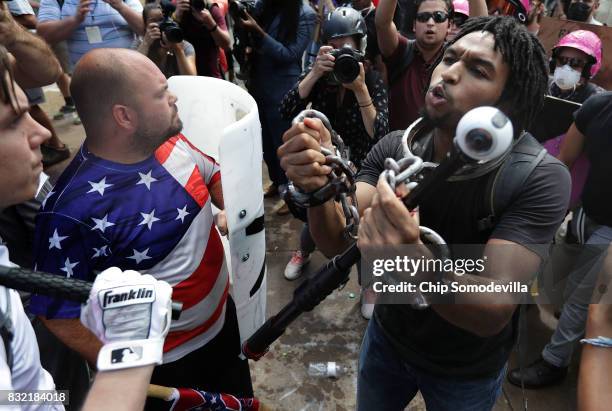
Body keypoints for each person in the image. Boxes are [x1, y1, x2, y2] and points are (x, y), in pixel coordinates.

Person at [278, 16, 570, 410]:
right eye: (450, 58)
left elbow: (493, 309)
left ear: (508, 103)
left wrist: (410, 260)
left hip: (466, 369)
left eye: (477, 70)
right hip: (387, 340)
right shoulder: (397, 147)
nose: (449, 74)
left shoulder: (539, 177)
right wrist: (318, 185)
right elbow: (335, 241)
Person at [29, 48, 253, 407]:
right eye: (161, 93)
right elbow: (56, 312)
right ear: (124, 116)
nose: (174, 97)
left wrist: (236, 212)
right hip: (166, 368)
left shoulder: (171, 140)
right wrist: (127, 369)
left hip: (225, 325)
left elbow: (213, 176)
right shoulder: (68, 212)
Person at [0, 42, 173, 411]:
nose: (43, 133)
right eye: (13, 121)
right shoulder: (65, 208)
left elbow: (32, 396)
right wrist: (130, 357)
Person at [508, 92, 612, 389]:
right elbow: (564, 159)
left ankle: (556, 361)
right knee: (552, 277)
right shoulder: (599, 107)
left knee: (583, 297)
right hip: (585, 213)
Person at [279, 7, 389, 287]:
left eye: (347, 48)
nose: (341, 55)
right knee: (317, 212)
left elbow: (379, 135)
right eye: (335, 48)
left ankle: (369, 285)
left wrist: (360, 89)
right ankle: (304, 251)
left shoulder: (372, 79)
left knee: (364, 223)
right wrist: (315, 73)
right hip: (329, 161)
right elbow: (286, 109)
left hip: (363, 168)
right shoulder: (321, 79)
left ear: (361, 46)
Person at [238, 0, 316, 215]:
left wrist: (259, 33)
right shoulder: (266, 6)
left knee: (285, 142)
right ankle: (277, 181)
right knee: (265, 141)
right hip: (259, 83)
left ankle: (291, 192)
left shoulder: (306, 14)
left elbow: (290, 54)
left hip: (282, 87)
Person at [36, 0, 144, 68]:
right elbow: (44, 35)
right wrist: (75, 20)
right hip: (85, 75)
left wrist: (120, 6)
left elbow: (145, 29)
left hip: (128, 69)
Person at [136, 3, 197, 78]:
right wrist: (146, 43)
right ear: (145, 25)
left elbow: (191, 78)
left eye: (162, 19)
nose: (160, 25)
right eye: (154, 21)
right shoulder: (140, 43)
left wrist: (178, 50)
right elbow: (132, 71)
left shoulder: (184, 46)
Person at [173, 0, 231, 78]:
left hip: (210, 73)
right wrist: (176, 17)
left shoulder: (212, 9)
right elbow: (168, 41)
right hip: (184, 72)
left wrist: (210, 23)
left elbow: (226, 44)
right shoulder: (178, 9)